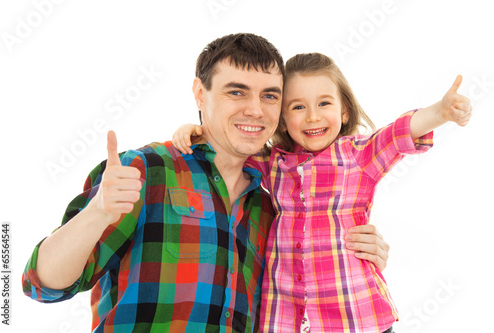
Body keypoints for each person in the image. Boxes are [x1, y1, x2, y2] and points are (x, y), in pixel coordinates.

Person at [22, 34, 390, 332]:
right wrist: (96, 214)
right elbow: (42, 283)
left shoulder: (268, 206)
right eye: (236, 91)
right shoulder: (146, 170)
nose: (255, 110)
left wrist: (357, 251)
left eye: (270, 96)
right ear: (200, 93)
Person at [172, 53, 472, 332]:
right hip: (285, 313)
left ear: (344, 112)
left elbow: (398, 133)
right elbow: (230, 146)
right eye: (298, 107)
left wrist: (441, 112)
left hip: (354, 312)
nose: (312, 117)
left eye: (324, 104)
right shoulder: (273, 161)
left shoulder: (358, 155)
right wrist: (197, 130)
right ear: (282, 120)